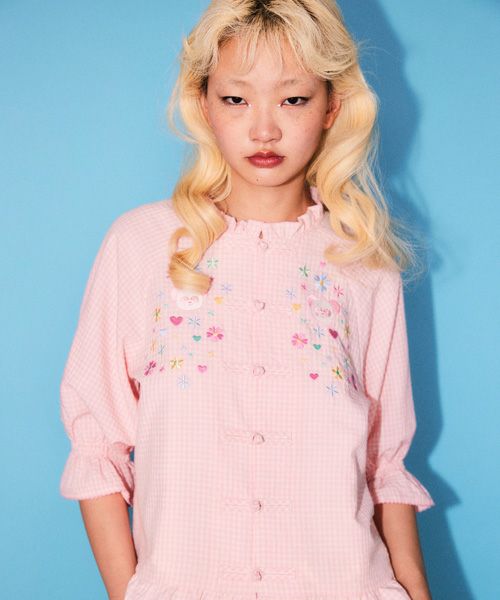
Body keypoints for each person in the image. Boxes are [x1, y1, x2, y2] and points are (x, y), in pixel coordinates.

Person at [58, 1, 436, 599]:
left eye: (293, 99)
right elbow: (97, 445)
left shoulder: (363, 262)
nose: (264, 130)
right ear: (204, 103)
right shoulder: (141, 245)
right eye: (236, 99)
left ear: (332, 106)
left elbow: (384, 465)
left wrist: (416, 590)